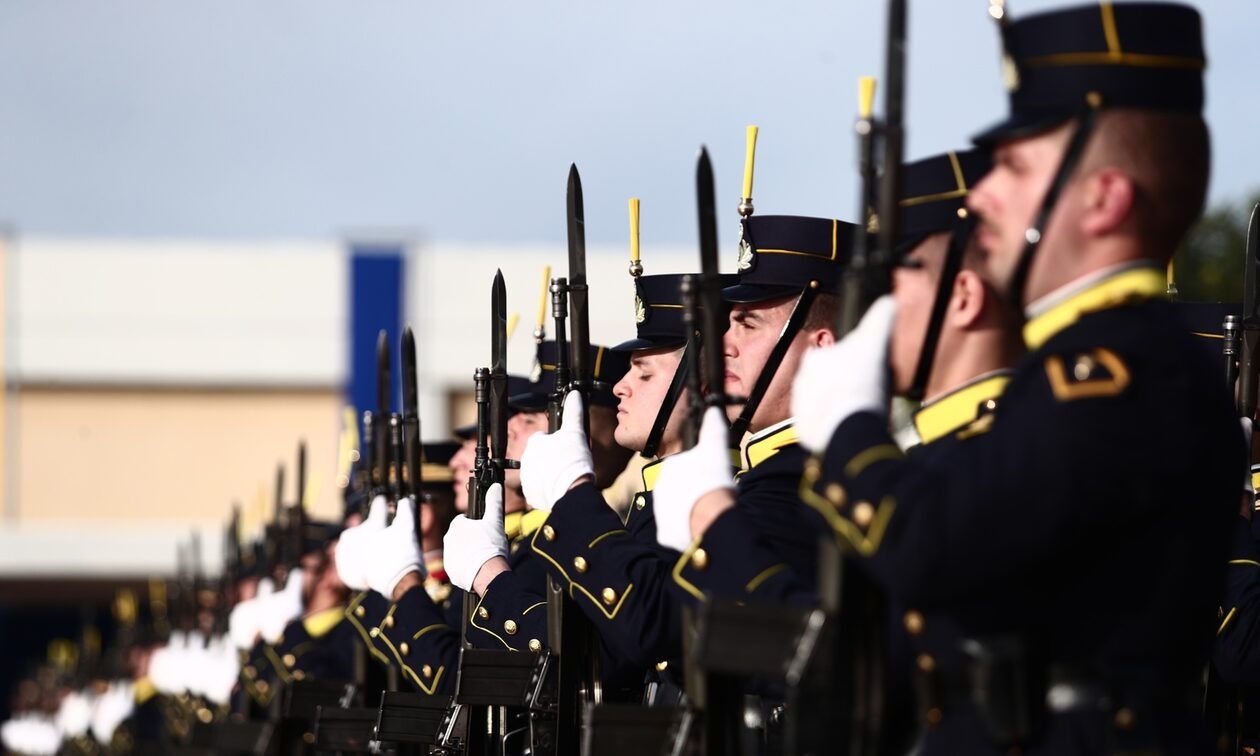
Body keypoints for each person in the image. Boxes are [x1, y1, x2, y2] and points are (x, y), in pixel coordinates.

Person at [778, 4, 1237, 753]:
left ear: (1104, 198)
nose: (983, 194)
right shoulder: (1077, 370)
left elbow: (934, 545)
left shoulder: (1119, 374)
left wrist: (849, 433)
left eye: (1016, 167)